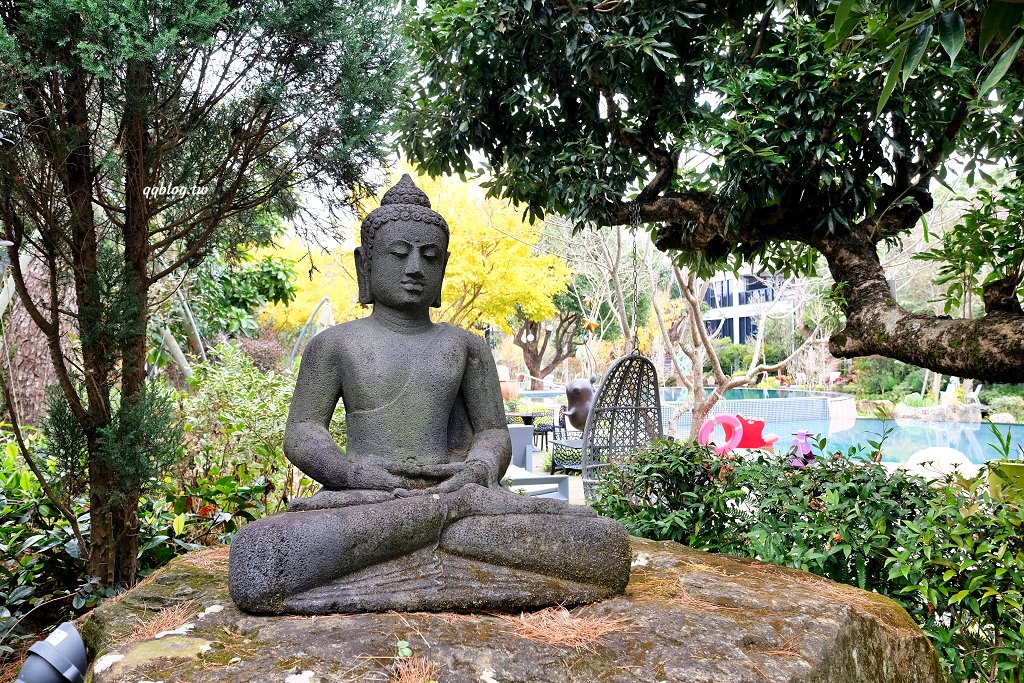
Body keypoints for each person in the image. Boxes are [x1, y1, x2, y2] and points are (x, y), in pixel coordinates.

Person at [229, 175, 630, 614]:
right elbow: (304, 432)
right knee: (261, 556)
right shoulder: (335, 345)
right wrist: (351, 473)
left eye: (429, 256)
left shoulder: (465, 347)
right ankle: (438, 548)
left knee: (601, 545)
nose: (415, 268)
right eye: (399, 254)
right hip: (368, 502)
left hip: (457, 495)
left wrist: (476, 469)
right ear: (366, 264)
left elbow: (493, 432)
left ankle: (411, 554)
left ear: (443, 265)